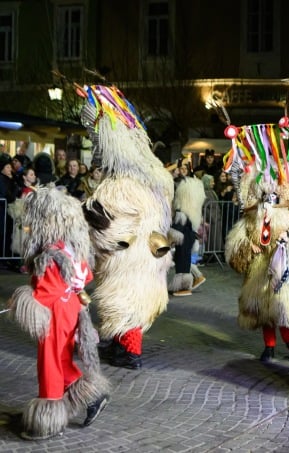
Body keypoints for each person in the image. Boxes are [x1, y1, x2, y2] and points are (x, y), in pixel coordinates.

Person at [78, 84, 175, 370]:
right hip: (148, 252)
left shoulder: (122, 186)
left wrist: (90, 219)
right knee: (131, 300)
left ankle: (130, 353)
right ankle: (120, 344)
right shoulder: (155, 177)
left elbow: (110, 220)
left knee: (127, 300)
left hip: (131, 254)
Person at [7, 186, 110, 440]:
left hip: (56, 313)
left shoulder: (51, 255)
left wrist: (19, 301)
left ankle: (48, 418)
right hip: (70, 308)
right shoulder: (71, 247)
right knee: (62, 360)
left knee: (50, 363)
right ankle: (92, 396)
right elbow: (84, 275)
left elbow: (44, 294)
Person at [224, 119, 289, 363]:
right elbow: (236, 241)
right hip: (258, 265)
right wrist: (246, 247)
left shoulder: (287, 213)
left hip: (280, 263)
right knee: (262, 307)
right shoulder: (252, 215)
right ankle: (269, 346)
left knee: (283, 305)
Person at [168, 175, 207, 297]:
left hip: (184, 236)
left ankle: (184, 286)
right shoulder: (192, 209)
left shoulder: (182, 210)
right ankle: (197, 276)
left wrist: (170, 235)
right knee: (183, 258)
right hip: (189, 235)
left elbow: (178, 227)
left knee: (182, 260)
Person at [201, 173, 223, 256]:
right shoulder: (206, 193)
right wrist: (211, 217)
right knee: (212, 238)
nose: (213, 183)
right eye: (211, 182)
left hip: (216, 218)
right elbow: (204, 208)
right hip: (212, 220)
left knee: (216, 238)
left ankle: (214, 253)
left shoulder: (212, 192)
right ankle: (210, 255)